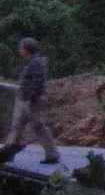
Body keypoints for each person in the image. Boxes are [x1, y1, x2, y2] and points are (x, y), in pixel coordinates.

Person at [0, 37, 61, 165]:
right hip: (26, 99)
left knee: (38, 126)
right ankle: (9, 152)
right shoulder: (32, 62)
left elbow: (34, 83)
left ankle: (52, 153)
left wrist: (27, 97)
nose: (19, 51)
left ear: (27, 50)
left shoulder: (35, 63)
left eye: (21, 48)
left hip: (32, 100)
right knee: (16, 126)